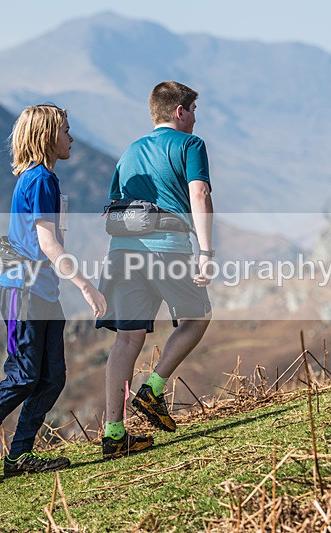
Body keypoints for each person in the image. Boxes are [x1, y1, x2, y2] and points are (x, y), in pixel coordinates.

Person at [0, 104, 107, 485]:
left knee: (51, 377)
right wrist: (85, 285)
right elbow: (47, 242)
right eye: (66, 130)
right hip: (23, 290)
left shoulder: (45, 179)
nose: (72, 138)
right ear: (49, 135)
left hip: (43, 291)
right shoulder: (39, 180)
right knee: (22, 376)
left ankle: (19, 455)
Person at [96, 81, 214, 459]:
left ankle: (114, 434)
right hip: (168, 248)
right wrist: (207, 250)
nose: (195, 118)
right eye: (193, 110)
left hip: (122, 253)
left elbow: (116, 203)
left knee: (127, 340)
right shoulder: (190, 146)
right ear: (180, 110)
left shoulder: (129, 151)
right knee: (197, 319)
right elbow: (199, 194)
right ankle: (153, 388)